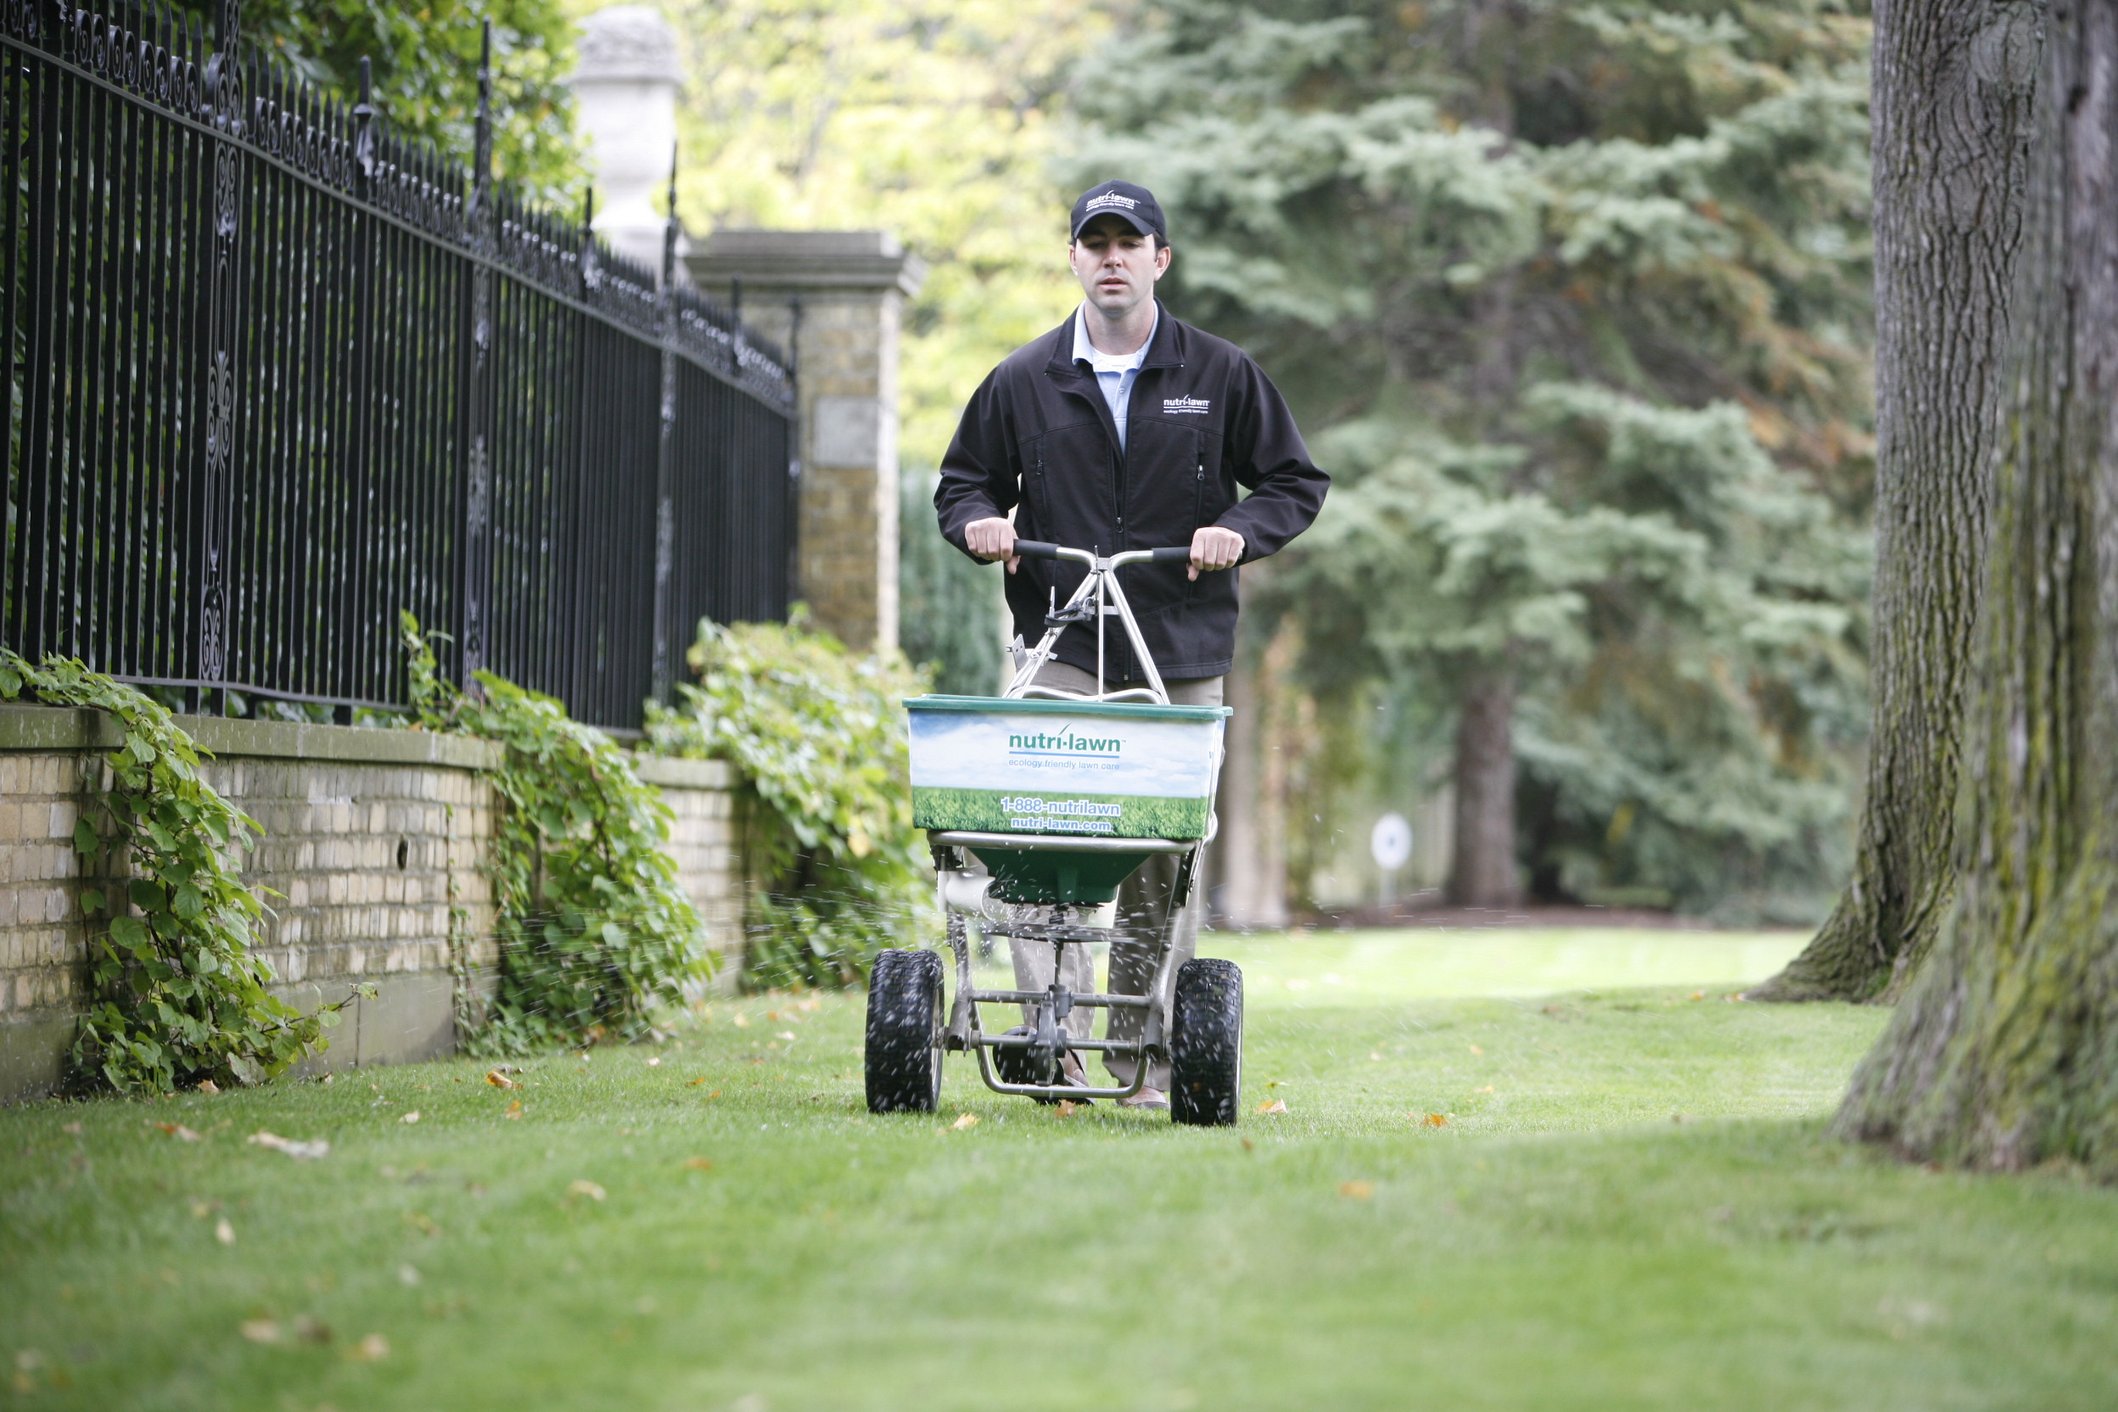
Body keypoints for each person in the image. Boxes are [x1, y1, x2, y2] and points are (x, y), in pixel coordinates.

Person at [934, 179, 1328, 1109]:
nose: (1111, 257)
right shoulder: (1023, 380)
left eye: (1129, 242)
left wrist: (1240, 531)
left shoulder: (1219, 373)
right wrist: (984, 522)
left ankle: (1142, 1055)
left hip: (1178, 648)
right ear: (1073, 258)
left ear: (1160, 260)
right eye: (1094, 242)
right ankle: (1044, 1041)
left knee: (1162, 853)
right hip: (1062, 641)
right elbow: (961, 487)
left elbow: (1293, 481)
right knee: (1030, 830)